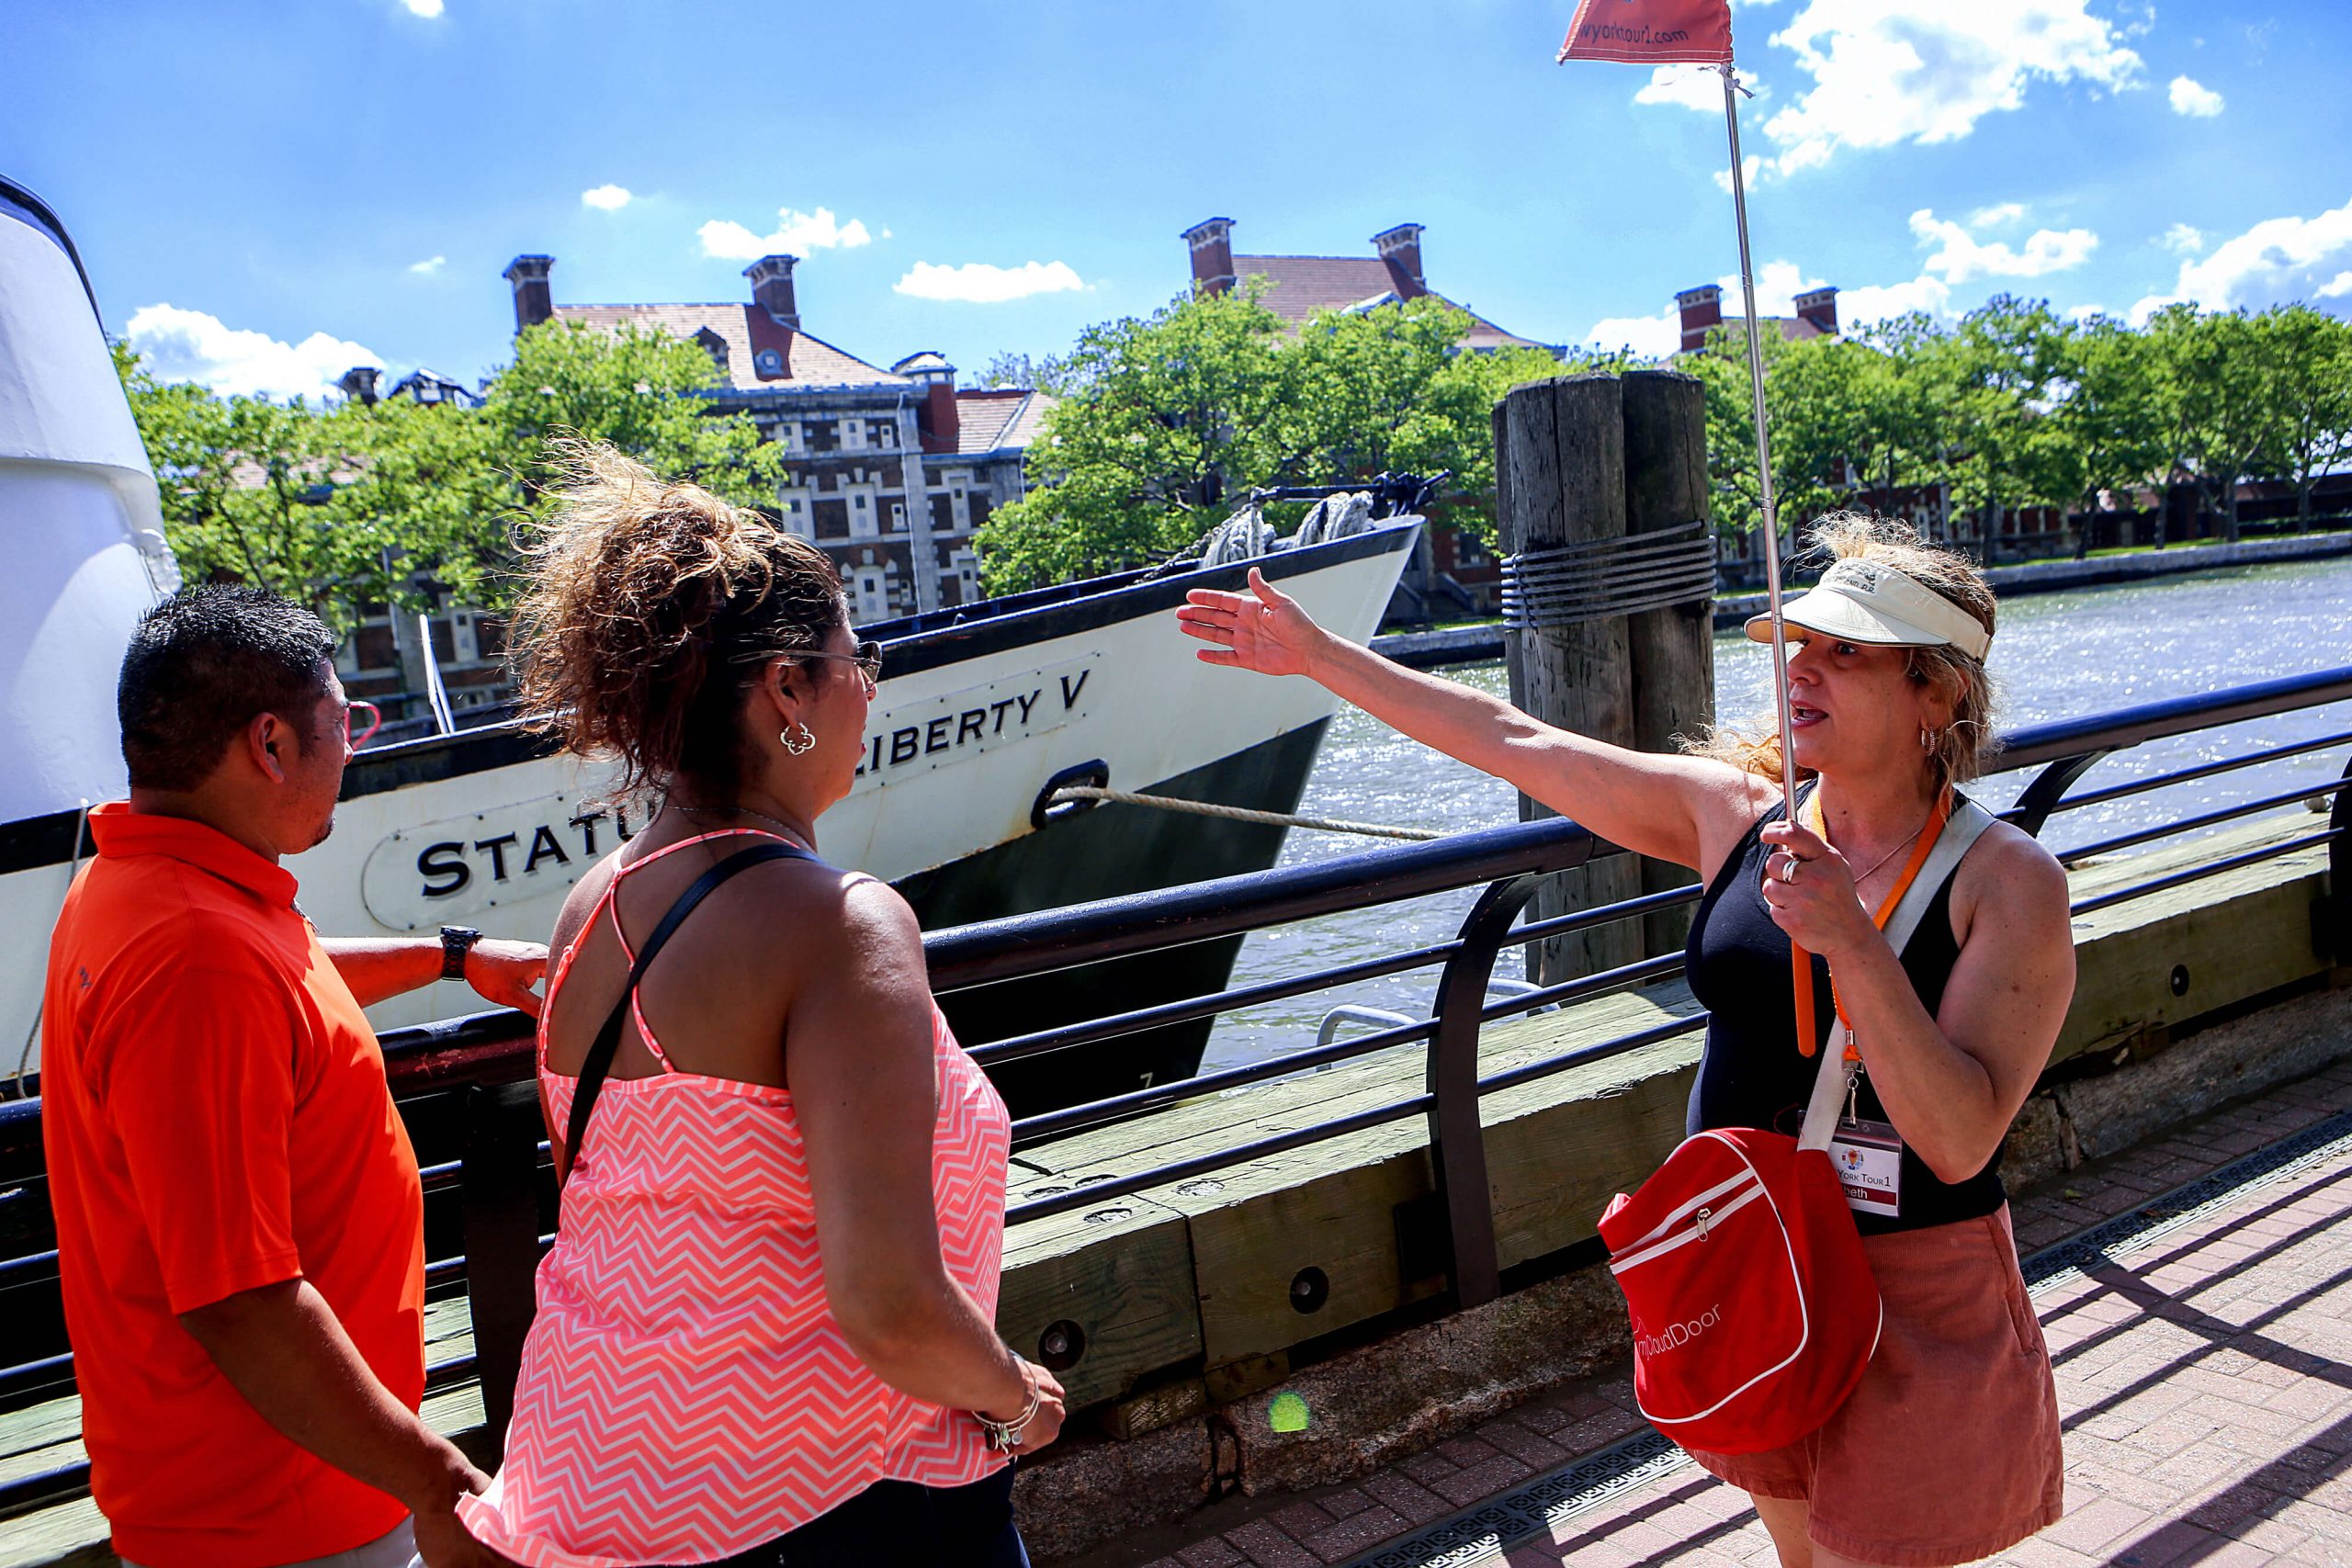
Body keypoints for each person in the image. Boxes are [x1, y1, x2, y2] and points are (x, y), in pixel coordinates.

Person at [1179, 514, 2074, 1568]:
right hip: (1756, 1260)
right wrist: (1320, 657)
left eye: (1847, 654)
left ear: (1939, 693)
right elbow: (1519, 741)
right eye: (1798, 645)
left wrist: (1853, 948)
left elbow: (1961, 1139)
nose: (1802, 673)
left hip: (1909, 1286)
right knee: (1798, 1546)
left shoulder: (2007, 881)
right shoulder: (1737, 817)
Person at [457, 443, 1062, 1568]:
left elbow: (629, 1198)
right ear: (787, 688)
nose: (869, 687)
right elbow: (887, 1303)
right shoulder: (840, 922)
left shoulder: (592, 906)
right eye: (855, 658)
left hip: (592, 1474)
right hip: (816, 1498)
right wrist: (1017, 1404)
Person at [41, 585, 548, 1568]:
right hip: (280, 1517)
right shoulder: (196, 954)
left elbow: (287, 973)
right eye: (343, 718)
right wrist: (438, 1482)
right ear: (271, 744)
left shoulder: (130, 887)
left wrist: (452, 955)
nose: (353, 744)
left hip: (251, 1487)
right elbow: (241, 1299)